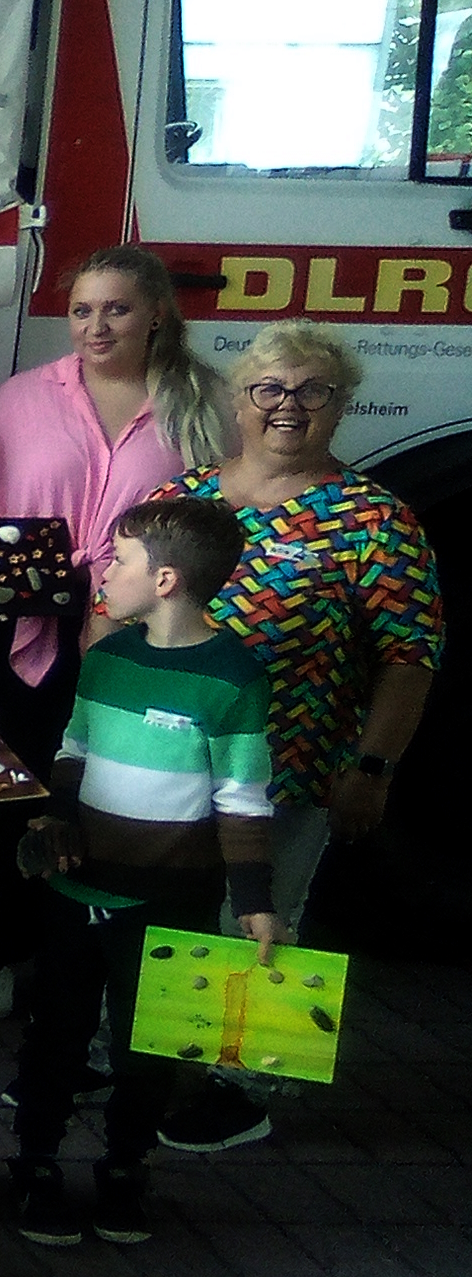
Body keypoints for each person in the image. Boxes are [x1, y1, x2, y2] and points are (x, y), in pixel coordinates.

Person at [145, 322, 444, 1151]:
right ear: (239, 402)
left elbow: (410, 657)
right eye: (270, 389)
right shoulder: (192, 494)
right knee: (169, 903)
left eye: (312, 392)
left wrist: (374, 768)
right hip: (167, 755)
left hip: (293, 761)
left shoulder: (375, 518)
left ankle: (244, 1086)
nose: (288, 407)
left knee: (263, 913)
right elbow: (121, 608)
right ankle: (157, 1056)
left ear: (341, 407)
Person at [0, 246, 229, 1010]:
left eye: (117, 308)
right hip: (16, 636)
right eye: (82, 310)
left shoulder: (202, 407)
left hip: (134, 639)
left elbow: (218, 527)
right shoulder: (24, 398)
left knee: (106, 792)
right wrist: (32, 565)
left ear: (158, 312)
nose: (96, 326)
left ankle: (79, 962)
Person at [11, 498, 277, 1241]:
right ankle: (35, 1161)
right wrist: (57, 814)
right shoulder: (106, 657)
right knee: (57, 1031)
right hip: (76, 887)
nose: (105, 570)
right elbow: (75, 746)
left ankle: (126, 1166)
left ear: (164, 580)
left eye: (119, 559)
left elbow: (242, 797)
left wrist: (253, 899)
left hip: (173, 899)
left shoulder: (234, 678)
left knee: (150, 1041)